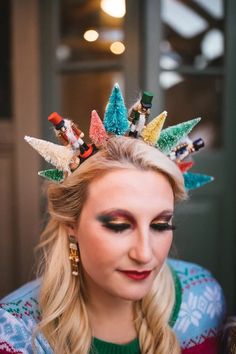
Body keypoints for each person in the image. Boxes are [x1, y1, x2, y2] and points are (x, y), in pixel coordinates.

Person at [0, 86, 225, 354]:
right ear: (72, 224)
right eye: (119, 226)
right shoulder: (16, 333)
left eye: (161, 225)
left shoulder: (203, 299)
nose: (144, 254)